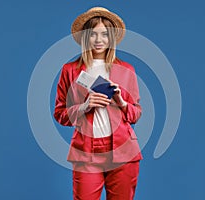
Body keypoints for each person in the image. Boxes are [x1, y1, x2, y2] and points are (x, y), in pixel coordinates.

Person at [54, 7, 142, 200]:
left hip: (123, 152)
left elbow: (136, 113)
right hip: (86, 152)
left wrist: (121, 102)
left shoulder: (126, 69)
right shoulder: (69, 71)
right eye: (92, 34)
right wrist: (84, 106)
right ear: (85, 37)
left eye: (104, 34)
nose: (98, 39)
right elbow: (60, 113)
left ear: (111, 38)